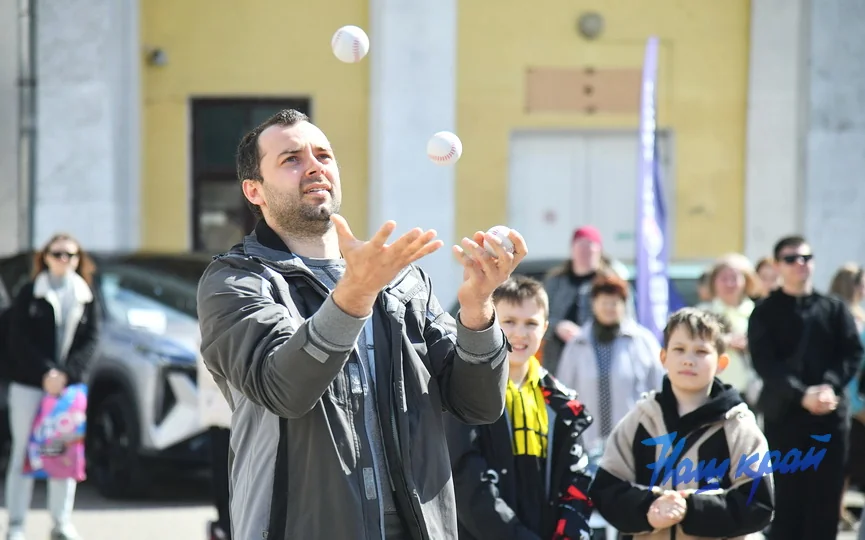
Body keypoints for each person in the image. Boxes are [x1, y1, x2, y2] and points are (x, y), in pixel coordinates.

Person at [196, 109, 526, 540]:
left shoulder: (401, 280)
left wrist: (478, 311)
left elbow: (477, 405)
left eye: (323, 155)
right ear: (254, 191)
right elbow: (283, 388)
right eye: (291, 158)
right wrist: (354, 295)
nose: (314, 165)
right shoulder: (236, 280)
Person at [589, 308, 773, 540]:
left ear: (721, 363)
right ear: (663, 357)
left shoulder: (739, 427)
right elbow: (607, 490)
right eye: (679, 349)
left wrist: (692, 509)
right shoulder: (639, 421)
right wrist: (649, 509)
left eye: (701, 351)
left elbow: (759, 503)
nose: (688, 359)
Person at [445, 275, 593, 540]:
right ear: (490, 323)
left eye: (531, 323)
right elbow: (467, 480)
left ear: (545, 327)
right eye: (509, 322)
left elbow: (577, 478)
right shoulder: (467, 393)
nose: (520, 333)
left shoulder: (561, 402)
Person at [748, 235, 863, 540]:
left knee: (825, 503)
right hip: (785, 420)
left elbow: (851, 354)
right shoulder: (765, 312)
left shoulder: (834, 309)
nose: (800, 264)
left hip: (829, 419)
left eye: (806, 257)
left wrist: (829, 387)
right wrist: (801, 395)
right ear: (777, 266)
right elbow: (765, 363)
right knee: (787, 503)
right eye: (791, 259)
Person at [5, 233, 100, 540]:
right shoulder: (30, 293)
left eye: (70, 255)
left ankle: (61, 523)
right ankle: (16, 525)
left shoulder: (85, 294)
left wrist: (66, 376)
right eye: (57, 254)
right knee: (24, 452)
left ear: (78, 259)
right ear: (45, 257)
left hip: (67, 391)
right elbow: (18, 339)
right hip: (30, 385)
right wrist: (46, 372)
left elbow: (90, 342)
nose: (63, 260)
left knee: (63, 455)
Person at [554, 273, 663, 456]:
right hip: (586, 444)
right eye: (604, 302)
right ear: (594, 304)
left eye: (614, 302)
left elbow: (659, 388)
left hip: (634, 444)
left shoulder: (643, 342)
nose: (609, 308)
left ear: (624, 305)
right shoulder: (578, 344)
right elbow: (564, 393)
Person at [542, 226, 633, 375]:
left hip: (601, 360)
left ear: (599, 251)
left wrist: (587, 333)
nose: (585, 252)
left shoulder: (611, 282)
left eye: (590, 247)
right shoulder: (555, 281)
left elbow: (627, 320)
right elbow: (539, 317)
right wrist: (557, 327)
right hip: (558, 360)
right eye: (580, 247)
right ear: (572, 250)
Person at [697, 254, 760, 404]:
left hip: (750, 391)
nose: (729, 284)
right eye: (723, 278)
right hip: (712, 390)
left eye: (734, 278)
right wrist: (724, 342)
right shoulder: (702, 313)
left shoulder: (758, 313)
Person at [197, 351, 233, 539]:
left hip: (230, 411)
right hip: (221, 411)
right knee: (224, 477)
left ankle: (224, 528)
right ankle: (224, 529)